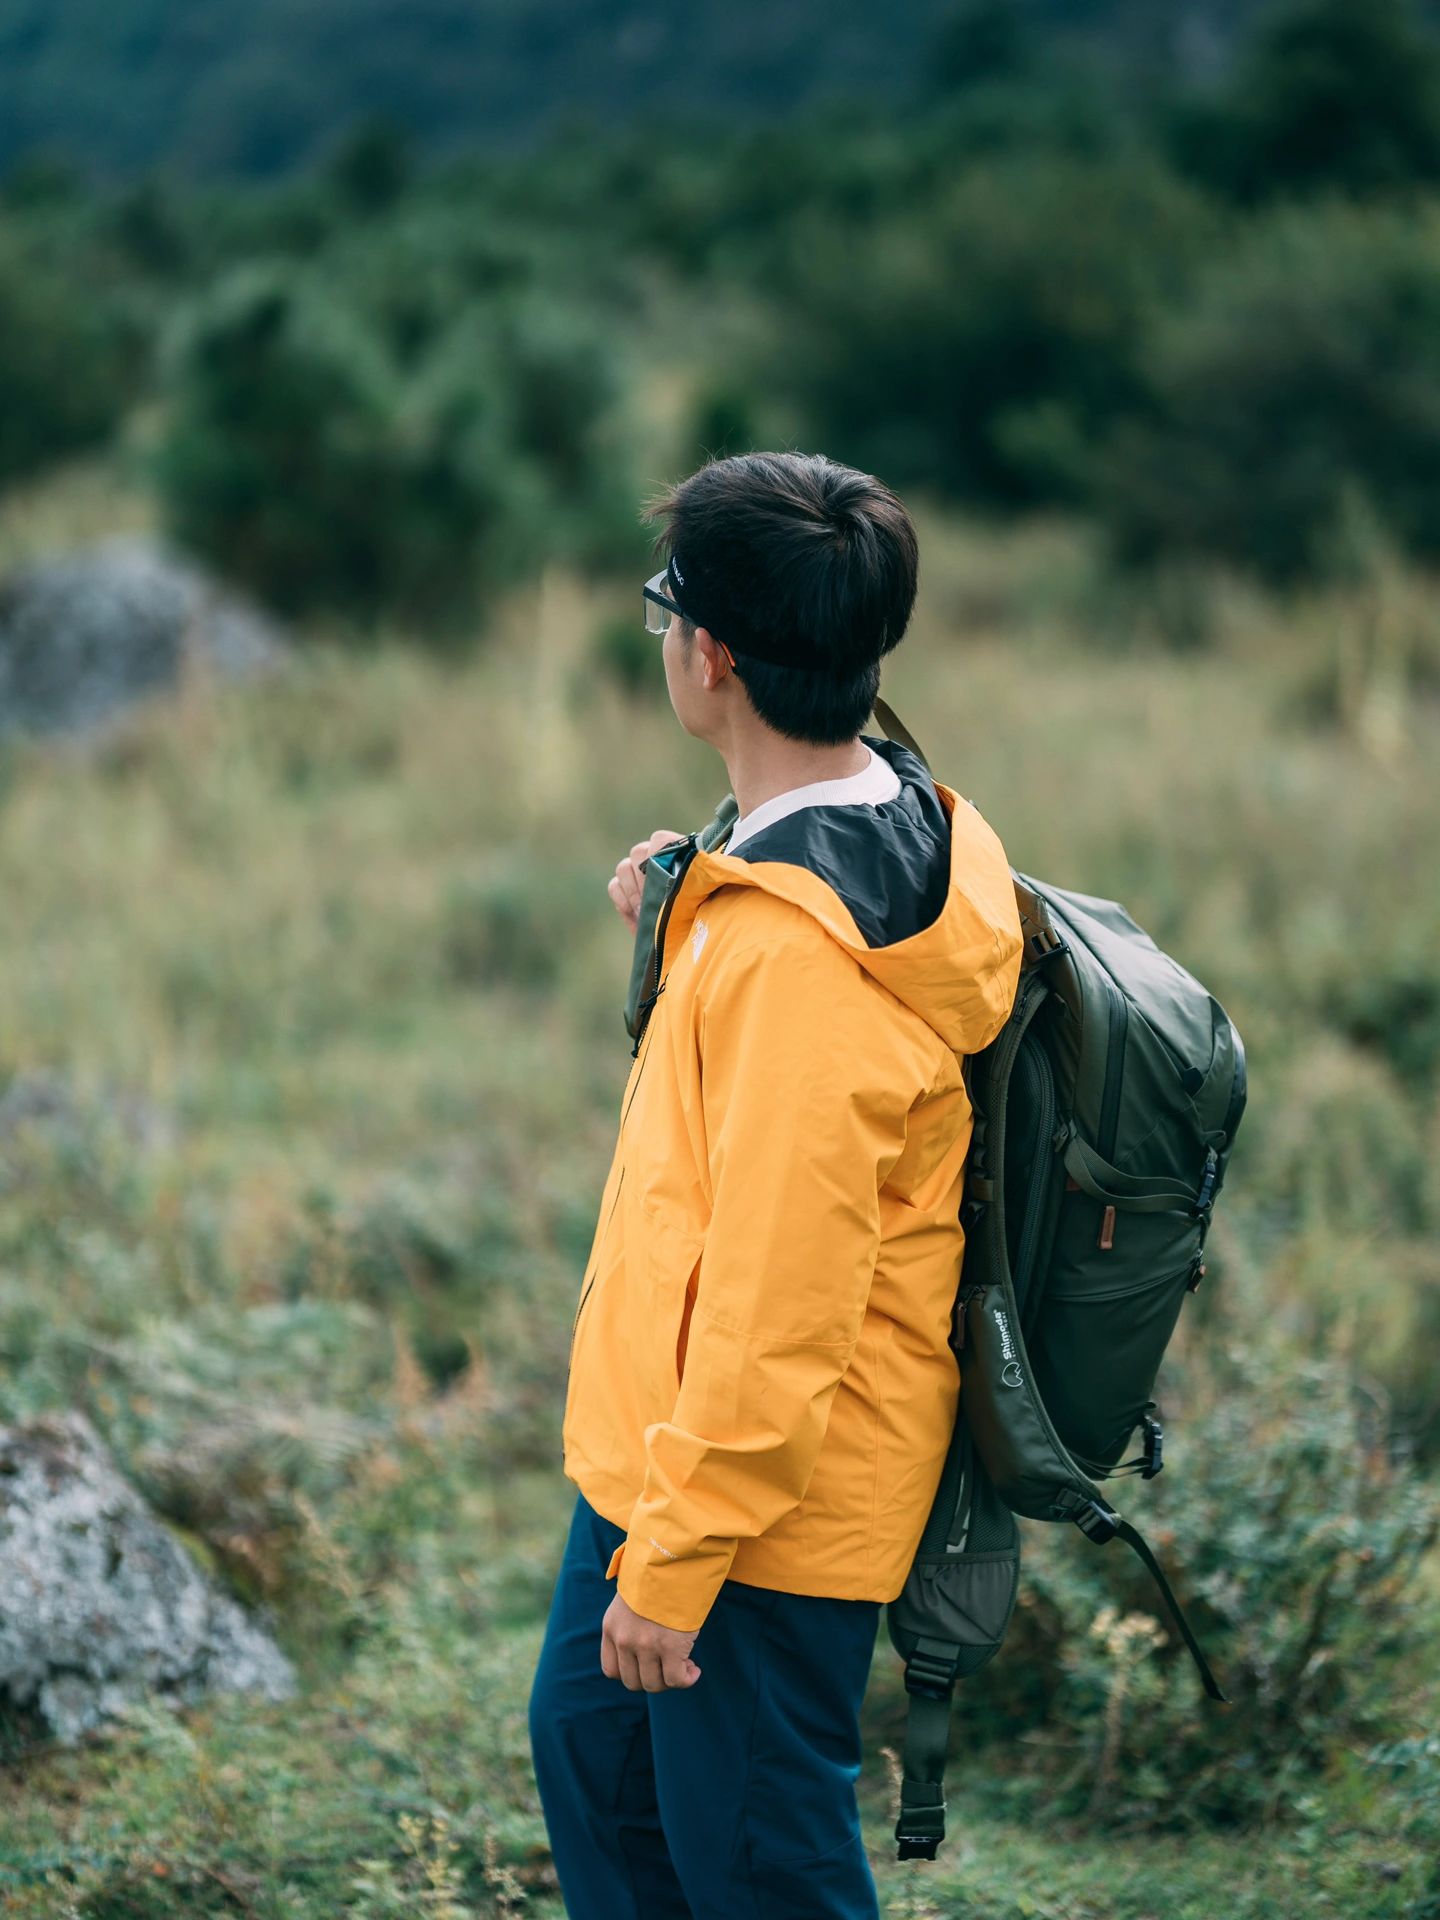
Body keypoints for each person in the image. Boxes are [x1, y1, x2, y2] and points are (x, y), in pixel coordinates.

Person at [527, 451, 1024, 1918]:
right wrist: (688, 889)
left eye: (661, 610)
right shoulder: (854, 816)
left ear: (712, 654)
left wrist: (676, 1564)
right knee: (599, 1768)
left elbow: (780, 1306)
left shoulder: (799, 967)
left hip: (755, 1506)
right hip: (662, 1448)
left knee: (758, 1863)